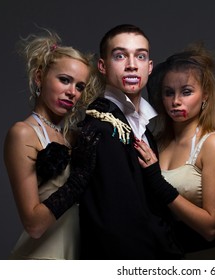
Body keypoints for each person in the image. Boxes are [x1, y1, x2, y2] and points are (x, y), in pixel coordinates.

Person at [42, 24, 183, 259]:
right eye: (120, 55)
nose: (131, 64)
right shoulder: (102, 127)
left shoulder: (143, 128)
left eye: (140, 56)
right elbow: (117, 222)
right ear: (102, 66)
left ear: (149, 67)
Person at [4, 29, 100, 259]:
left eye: (79, 87)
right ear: (39, 77)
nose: (72, 93)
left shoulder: (71, 137)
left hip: (76, 255)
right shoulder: (23, 133)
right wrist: (78, 180)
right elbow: (34, 224)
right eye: (65, 80)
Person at [134, 45, 215, 259]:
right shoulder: (157, 142)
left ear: (205, 95)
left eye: (186, 92)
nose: (176, 101)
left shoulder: (212, 144)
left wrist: (158, 184)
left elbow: (211, 228)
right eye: (169, 93)